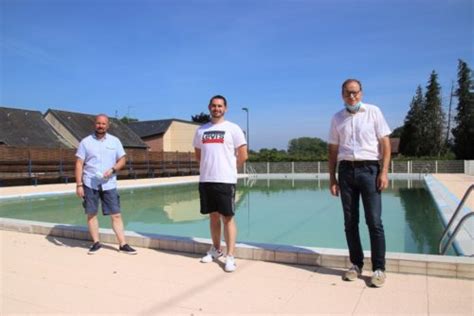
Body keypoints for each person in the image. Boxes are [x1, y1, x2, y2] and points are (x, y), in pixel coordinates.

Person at [328, 79, 391, 287]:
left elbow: (385, 143)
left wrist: (384, 172)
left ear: (361, 93)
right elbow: (333, 150)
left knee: (374, 221)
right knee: (350, 221)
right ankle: (356, 264)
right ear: (342, 95)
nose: (352, 96)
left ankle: (379, 269)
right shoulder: (337, 118)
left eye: (355, 92)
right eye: (347, 93)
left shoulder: (373, 112)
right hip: (346, 170)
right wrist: (332, 177)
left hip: (369, 169)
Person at [193, 95, 248, 272]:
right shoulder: (201, 130)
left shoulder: (233, 128)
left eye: (220, 106)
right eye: (214, 106)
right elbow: (198, 154)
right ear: (209, 107)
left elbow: (243, 155)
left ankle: (230, 255)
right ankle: (216, 250)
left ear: (225, 108)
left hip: (225, 180)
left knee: (228, 217)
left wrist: (231, 169)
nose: (217, 108)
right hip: (206, 179)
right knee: (213, 216)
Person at [75, 114, 137, 255]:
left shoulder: (115, 141)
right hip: (90, 183)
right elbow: (79, 163)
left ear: (107, 125)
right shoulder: (85, 142)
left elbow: (122, 160)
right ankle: (96, 243)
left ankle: (123, 244)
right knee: (91, 214)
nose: (100, 126)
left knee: (116, 215)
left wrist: (113, 169)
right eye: (98, 123)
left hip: (109, 183)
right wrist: (79, 184)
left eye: (103, 124)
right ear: (94, 124)